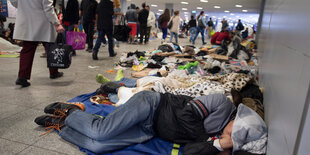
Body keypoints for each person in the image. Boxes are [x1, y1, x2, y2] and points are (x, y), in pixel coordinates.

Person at [35, 90, 239, 154]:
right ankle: (70, 111)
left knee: (96, 146)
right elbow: (187, 115)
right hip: (151, 105)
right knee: (101, 132)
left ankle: (60, 125)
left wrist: (218, 145)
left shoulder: (217, 140)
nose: (229, 136)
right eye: (233, 131)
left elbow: (188, 152)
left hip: (150, 129)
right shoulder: (222, 103)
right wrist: (206, 139)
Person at [10, 0, 65, 87]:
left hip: (27, 21)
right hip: (43, 23)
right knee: (51, 49)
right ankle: (54, 72)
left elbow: (14, 2)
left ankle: (22, 77)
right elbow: (48, 8)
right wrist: (57, 23)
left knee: (27, 50)